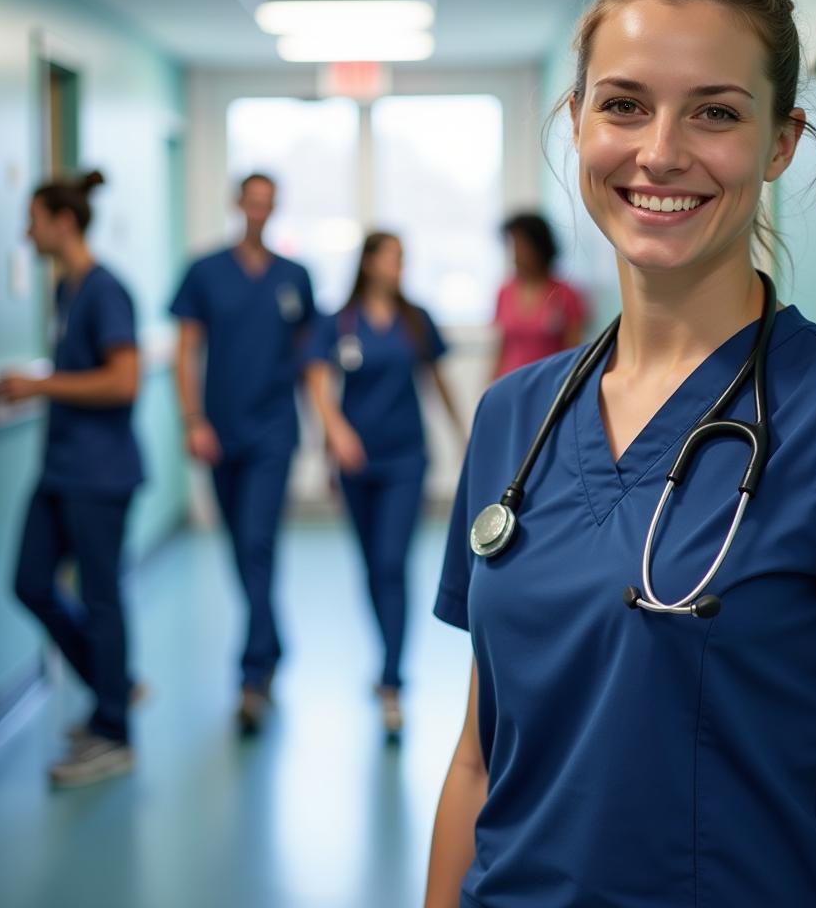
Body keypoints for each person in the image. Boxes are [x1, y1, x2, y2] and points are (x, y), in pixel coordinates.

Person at [425, 0, 816, 908]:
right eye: (625, 105)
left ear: (781, 141)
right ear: (577, 121)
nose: (661, 152)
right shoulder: (514, 417)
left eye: (717, 112)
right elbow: (477, 763)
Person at [1, 171, 143, 787]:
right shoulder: (68, 290)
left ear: (62, 222)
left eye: (32, 218)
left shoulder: (108, 290)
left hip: (100, 474)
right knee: (30, 582)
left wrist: (39, 385)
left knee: (100, 597)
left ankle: (113, 733)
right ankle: (114, 687)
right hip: (62, 470)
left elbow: (124, 381)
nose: (26, 231)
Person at [170, 172, 314, 735]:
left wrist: (327, 429)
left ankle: (253, 676)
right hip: (220, 431)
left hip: (274, 431)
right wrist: (192, 420)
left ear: (274, 208)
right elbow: (186, 351)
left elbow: (311, 360)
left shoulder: (294, 277)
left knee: (257, 542)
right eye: (251, 202)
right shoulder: (204, 272)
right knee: (241, 548)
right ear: (237, 205)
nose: (259, 211)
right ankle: (272, 643)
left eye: (267, 204)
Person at [305, 231, 462, 739]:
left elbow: (438, 379)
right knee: (373, 566)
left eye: (402, 258)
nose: (399, 267)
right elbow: (316, 381)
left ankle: (392, 680)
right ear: (369, 263)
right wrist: (335, 433)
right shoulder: (339, 321)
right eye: (391, 258)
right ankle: (386, 658)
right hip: (355, 463)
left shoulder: (415, 319)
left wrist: (467, 434)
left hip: (405, 460)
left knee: (392, 562)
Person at [492, 212, 586, 378]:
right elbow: (501, 349)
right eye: (512, 246)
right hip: (510, 384)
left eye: (521, 246)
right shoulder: (504, 292)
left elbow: (574, 352)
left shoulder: (565, 294)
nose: (515, 253)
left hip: (551, 385)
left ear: (538, 246)